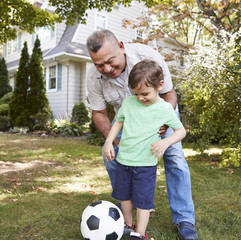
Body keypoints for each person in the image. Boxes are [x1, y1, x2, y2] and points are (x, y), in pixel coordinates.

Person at [86, 29, 198, 240]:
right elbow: (99, 113)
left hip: (160, 115)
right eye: (99, 65)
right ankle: (126, 206)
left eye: (110, 61)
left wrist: (164, 124)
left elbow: (169, 93)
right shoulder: (94, 77)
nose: (107, 69)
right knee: (110, 156)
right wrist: (114, 140)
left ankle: (184, 219)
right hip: (128, 120)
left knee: (174, 159)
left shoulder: (148, 56)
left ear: (121, 47)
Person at [104, 59, 186, 240]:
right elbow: (119, 122)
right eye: (137, 93)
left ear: (160, 86)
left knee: (142, 201)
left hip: (145, 165)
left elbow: (181, 131)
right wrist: (109, 141)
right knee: (124, 197)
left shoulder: (164, 109)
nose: (141, 98)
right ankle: (127, 225)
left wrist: (166, 143)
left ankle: (139, 234)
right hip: (123, 160)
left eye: (145, 93)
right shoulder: (128, 103)